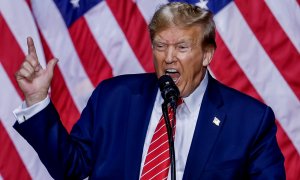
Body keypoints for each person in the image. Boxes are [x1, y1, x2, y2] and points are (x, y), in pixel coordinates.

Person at [13, 2, 285, 180]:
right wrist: (37, 99)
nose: (168, 58)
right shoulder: (114, 98)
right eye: (159, 46)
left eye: (181, 47)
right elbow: (70, 168)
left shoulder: (249, 121)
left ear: (206, 54)